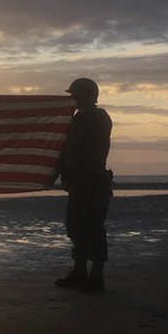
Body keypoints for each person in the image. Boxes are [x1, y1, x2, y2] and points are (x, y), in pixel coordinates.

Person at [56, 78, 112, 292]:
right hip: (79, 181)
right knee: (76, 227)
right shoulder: (79, 118)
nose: (73, 99)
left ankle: (96, 277)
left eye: (76, 95)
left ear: (88, 96)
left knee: (93, 228)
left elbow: (87, 148)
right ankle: (80, 272)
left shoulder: (97, 118)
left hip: (93, 180)